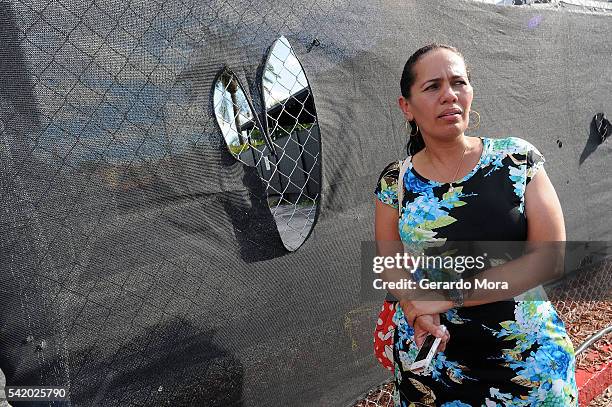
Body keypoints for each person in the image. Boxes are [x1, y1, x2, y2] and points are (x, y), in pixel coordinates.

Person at [373, 43, 577, 406]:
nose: (449, 95)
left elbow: (549, 257)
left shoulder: (516, 159)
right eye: (432, 86)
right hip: (435, 368)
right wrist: (412, 304)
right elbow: (391, 262)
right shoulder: (395, 182)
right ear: (406, 107)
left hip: (526, 363)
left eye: (459, 83)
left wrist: (448, 297)